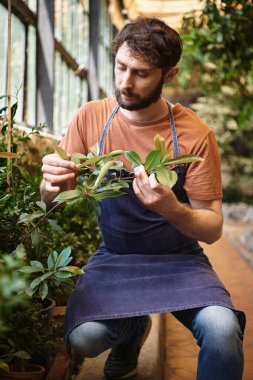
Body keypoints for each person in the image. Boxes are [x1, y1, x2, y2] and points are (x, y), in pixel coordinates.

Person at [41, 17, 245, 380]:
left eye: (141, 73)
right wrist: (51, 186)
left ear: (168, 75)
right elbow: (52, 202)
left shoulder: (195, 135)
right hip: (117, 257)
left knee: (223, 332)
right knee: (83, 339)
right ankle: (132, 332)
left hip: (180, 261)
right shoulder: (91, 117)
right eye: (120, 66)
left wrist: (170, 207)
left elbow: (212, 228)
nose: (125, 82)